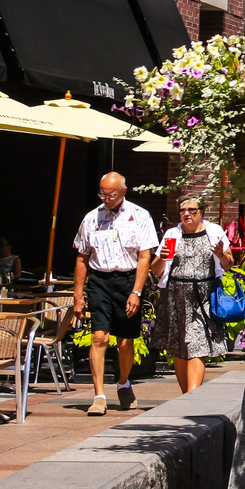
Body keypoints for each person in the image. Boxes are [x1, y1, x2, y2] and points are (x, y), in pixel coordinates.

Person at [71, 172, 157, 415]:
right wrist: (78, 296)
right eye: (102, 194)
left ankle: (123, 383)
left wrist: (137, 292)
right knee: (99, 337)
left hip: (129, 280)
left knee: (126, 341)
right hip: (100, 280)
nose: (106, 199)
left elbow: (144, 256)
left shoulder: (140, 216)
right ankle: (99, 395)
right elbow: (82, 257)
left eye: (112, 195)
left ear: (124, 192)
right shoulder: (91, 218)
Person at [153, 196, 233, 394]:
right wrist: (162, 258)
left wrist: (222, 254)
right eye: (182, 210)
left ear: (202, 213)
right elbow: (156, 269)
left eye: (192, 210)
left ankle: (192, 395)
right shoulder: (172, 234)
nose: (186, 214)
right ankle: (186, 397)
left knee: (197, 344)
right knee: (180, 347)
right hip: (176, 297)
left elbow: (228, 264)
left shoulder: (214, 232)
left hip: (204, 297)